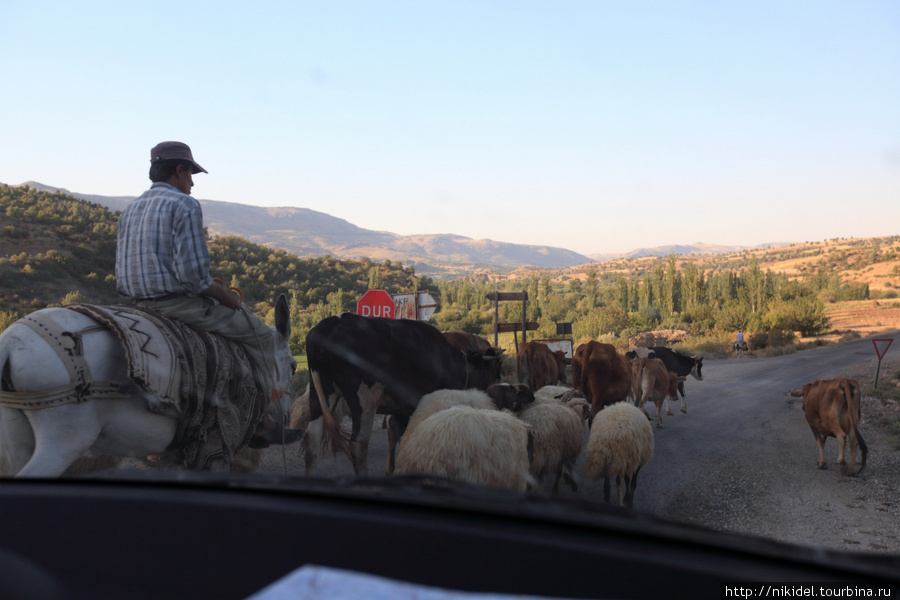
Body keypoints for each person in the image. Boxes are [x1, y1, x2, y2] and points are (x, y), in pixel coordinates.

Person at [115, 141, 278, 397]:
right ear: (179, 170)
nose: (192, 182)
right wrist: (227, 297)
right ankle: (265, 414)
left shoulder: (130, 209)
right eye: (191, 174)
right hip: (176, 305)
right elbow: (194, 279)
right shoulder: (184, 204)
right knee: (263, 337)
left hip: (135, 304)